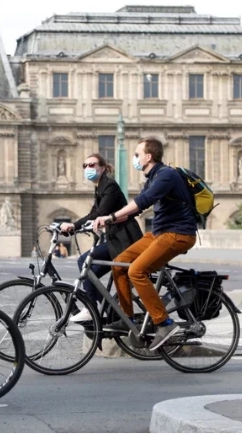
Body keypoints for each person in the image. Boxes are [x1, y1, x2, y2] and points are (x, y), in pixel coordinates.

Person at [93, 137, 197, 351]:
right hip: (159, 233)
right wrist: (98, 220)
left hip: (178, 234)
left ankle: (165, 323)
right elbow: (136, 211)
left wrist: (111, 217)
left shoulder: (166, 175)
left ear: (149, 157)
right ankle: (127, 317)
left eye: (137, 154)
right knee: (118, 263)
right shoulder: (152, 178)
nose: (135, 158)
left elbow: (143, 201)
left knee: (136, 271)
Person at [60, 153, 143, 322]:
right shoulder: (100, 186)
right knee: (89, 273)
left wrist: (74, 226)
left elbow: (101, 213)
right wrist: (75, 227)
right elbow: (93, 213)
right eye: (85, 165)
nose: (87, 169)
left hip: (124, 239)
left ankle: (92, 308)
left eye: (92, 165)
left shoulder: (110, 186)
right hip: (115, 238)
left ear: (103, 168)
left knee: (84, 262)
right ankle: (110, 308)